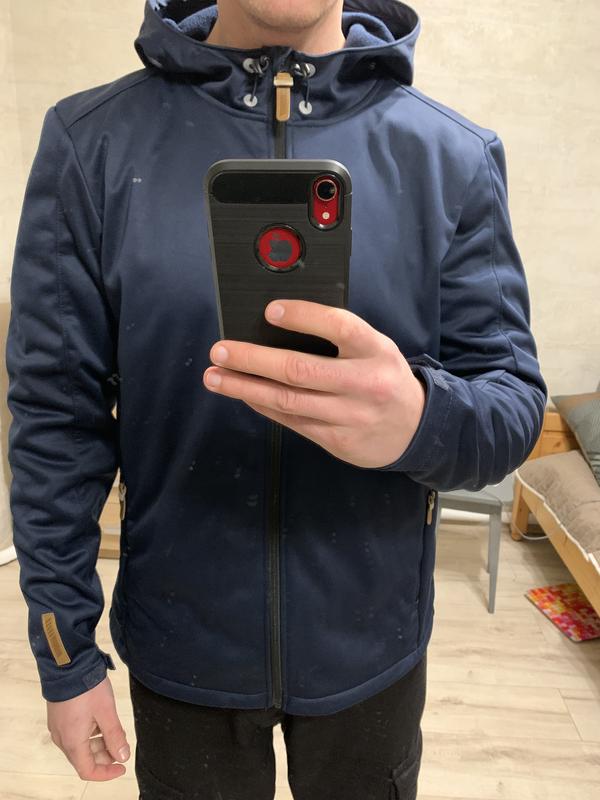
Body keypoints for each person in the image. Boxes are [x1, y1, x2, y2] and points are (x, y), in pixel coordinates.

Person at [5, 0, 548, 798]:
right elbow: (56, 420)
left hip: (373, 653)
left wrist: (418, 421)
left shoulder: (452, 157)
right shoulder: (93, 143)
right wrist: (65, 654)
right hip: (180, 646)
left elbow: (512, 406)